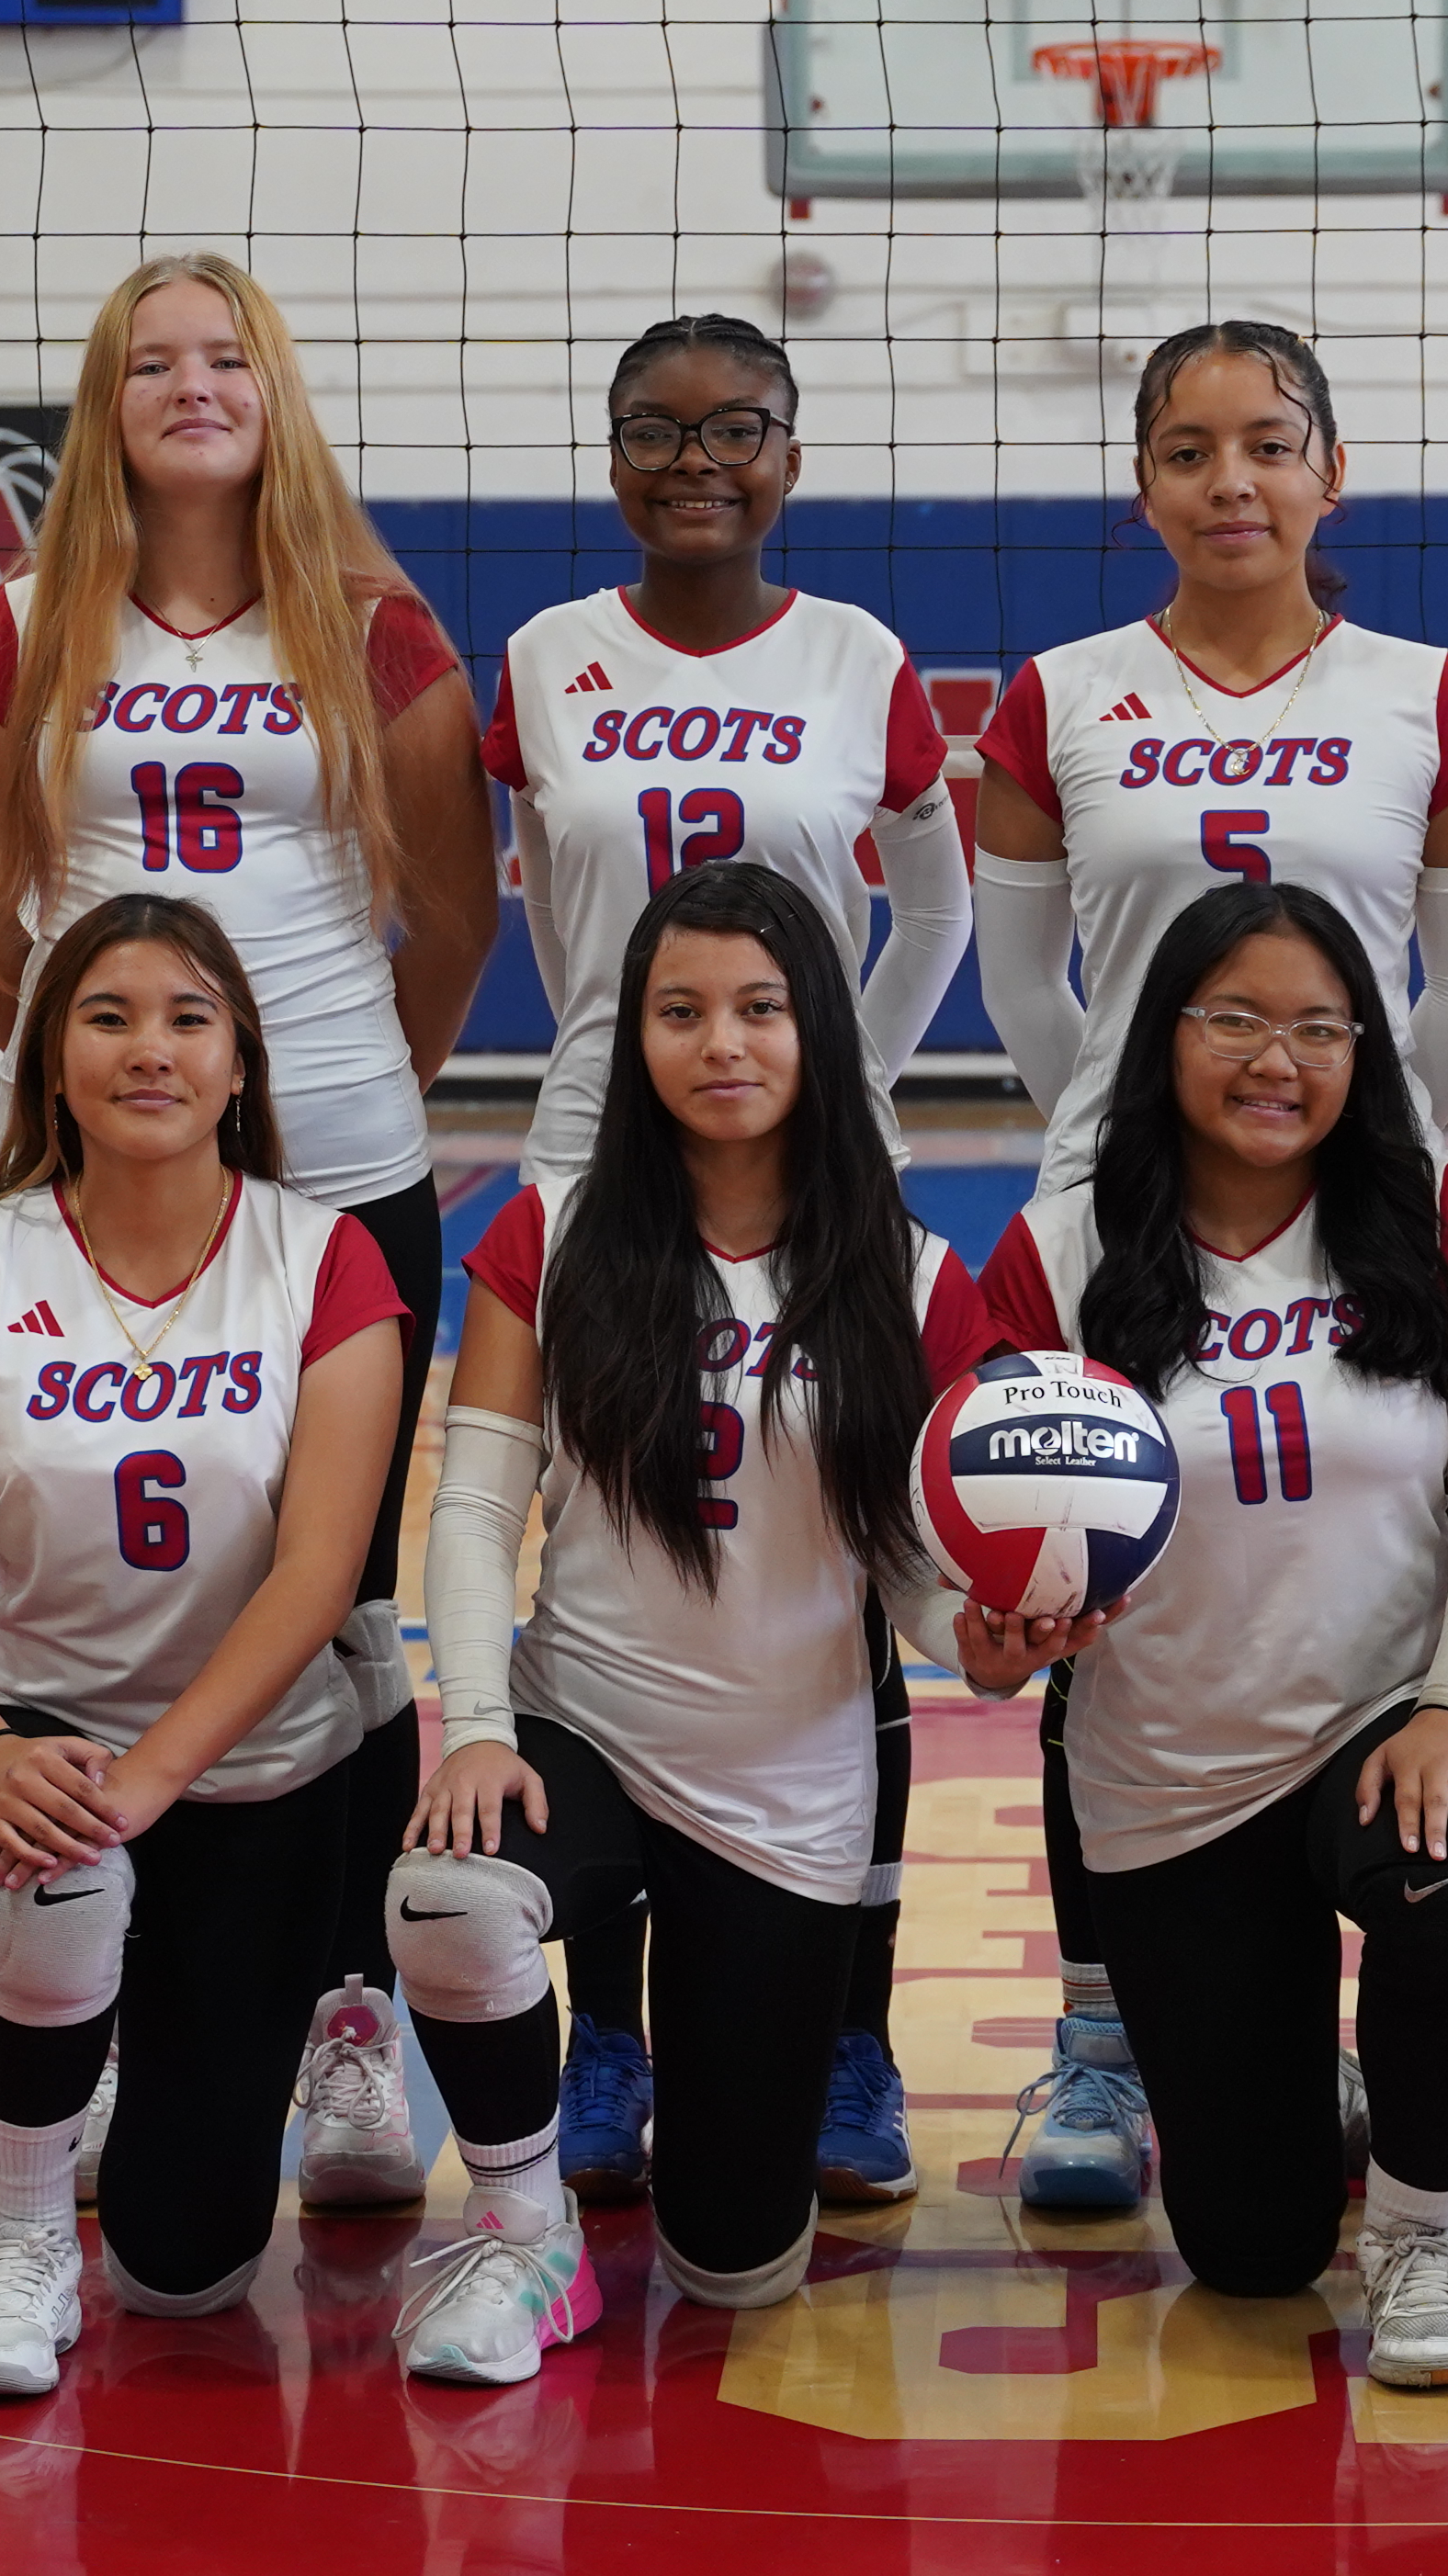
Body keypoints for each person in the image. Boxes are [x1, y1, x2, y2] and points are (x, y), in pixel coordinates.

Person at [0, 254, 501, 2221]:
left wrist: (344, 1082)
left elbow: (455, 909)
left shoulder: (372, 621)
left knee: (338, 1602)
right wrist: (99, 1082)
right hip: (110, 1181)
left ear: (276, 392)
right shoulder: (25, 622)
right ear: (104, 403)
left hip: (338, 1159)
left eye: (226, 356)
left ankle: (348, 2016)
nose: (192, 385)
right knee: (84, 1555)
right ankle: (93, 1983)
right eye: (151, 361)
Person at [971, 317, 1448, 2211]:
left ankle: (1437, 2036)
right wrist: (1142, 1139)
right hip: (1126, 1209)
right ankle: (1103, 2031)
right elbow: (1024, 983)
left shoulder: (1424, 694)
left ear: (1328, 474)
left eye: (1271, 444)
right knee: (1100, 1582)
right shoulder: (1059, 695)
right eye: (1190, 450)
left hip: (1354, 1194)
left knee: (1383, 1558)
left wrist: (1346, 1138)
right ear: (1143, 484)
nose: (1232, 481)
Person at [381, 863, 1002, 2386]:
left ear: (818, 1030)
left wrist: (984, 1644)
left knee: (738, 2265)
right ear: (633, 1036)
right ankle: (524, 2231)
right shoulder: (551, 1235)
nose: (722, 1043)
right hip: (583, 1728)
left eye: (759, 1008)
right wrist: (477, 1726)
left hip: (789, 1788)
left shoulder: (910, 1273)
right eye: (681, 1011)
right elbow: (475, 1512)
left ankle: (713, 2157)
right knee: (451, 1899)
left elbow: (912, 1571)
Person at [485, 312, 978, 2211]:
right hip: (594, 1160)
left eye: (736, 429)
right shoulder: (546, 656)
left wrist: (847, 1064)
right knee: (604, 1560)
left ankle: (851, 2032)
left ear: (791, 452)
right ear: (611, 455)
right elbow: (541, 903)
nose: (696, 461)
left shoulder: (859, 655)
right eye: (656, 431)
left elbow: (937, 897)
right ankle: (604, 2031)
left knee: (841, 1565)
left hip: (816, 1172)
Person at [963, 882, 1448, 2388]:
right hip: (1173, 1766)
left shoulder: (1436, 1216)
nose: (1276, 1060)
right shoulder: (1060, 1248)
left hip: (1393, 1715)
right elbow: (960, 1518)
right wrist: (982, 1629)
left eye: (1318, 1027)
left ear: (1364, 1050)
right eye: (1234, 1019)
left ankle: (1417, 2228)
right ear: (1163, 1035)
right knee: (1249, 2245)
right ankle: (1331, 2091)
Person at [0, 897, 418, 2395]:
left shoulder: (327, 1261)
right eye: (107, 1017)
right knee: (63, 1877)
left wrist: (155, 1777)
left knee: (186, 2266)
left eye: (187, 1018)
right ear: (51, 1061)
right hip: (30, 1738)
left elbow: (320, 1574)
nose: (148, 1049)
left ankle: (115, 2044)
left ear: (240, 1065)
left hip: (259, 1771)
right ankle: (26, 2235)